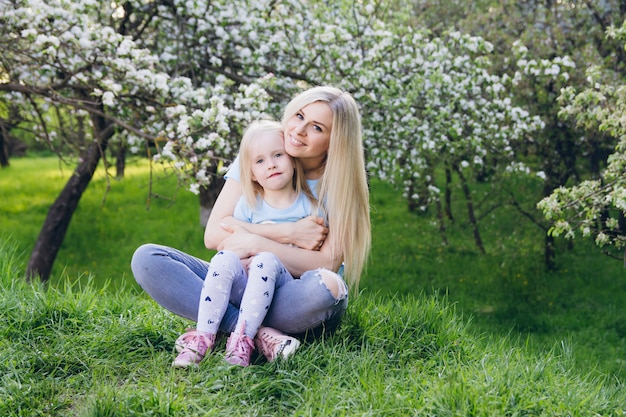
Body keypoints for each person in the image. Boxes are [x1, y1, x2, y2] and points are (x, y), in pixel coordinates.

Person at [131, 85, 370, 367]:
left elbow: (326, 264)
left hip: (291, 297)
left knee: (326, 288)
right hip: (243, 280)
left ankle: (226, 324)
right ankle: (253, 334)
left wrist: (255, 243)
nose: (298, 130)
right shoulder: (263, 150)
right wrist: (286, 234)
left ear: (335, 140)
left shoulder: (340, 183)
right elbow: (215, 235)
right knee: (148, 259)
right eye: (299, 115)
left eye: (316, 127)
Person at [172, 119, 318, 367]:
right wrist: (263, 240)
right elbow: (228, 245)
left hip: (285, 287)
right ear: (250, 173)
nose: (270, 164)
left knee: (264, 260)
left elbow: (310, 255)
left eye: (277, 155)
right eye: (260, 161)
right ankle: (204, 337)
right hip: (246, 284)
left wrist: (256, 245)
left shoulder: (309, 205)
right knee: (223, 259)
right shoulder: (248, 206)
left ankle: (243, 339)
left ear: (292, 158)